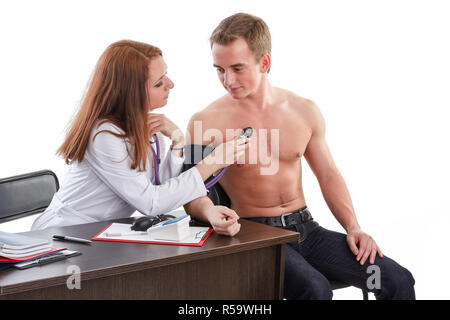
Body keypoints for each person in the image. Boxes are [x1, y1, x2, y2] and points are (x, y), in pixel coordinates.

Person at [183, 13, 415, 299]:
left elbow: (328, 174)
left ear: (264, 63)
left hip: (308, 232)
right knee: (315, 290)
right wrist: (210, 213)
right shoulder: (203, 122)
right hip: (256, 237)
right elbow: (188, 193)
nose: (227, 80)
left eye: (237, 68)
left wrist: (354, 228)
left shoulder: (303, 111)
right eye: (219, 69)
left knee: (394, 279)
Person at [31, 40, 249, 230]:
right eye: (158, 82)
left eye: (166, 75)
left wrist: (177, 141)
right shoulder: (103, 136)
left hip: (100, 232)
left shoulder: (145, 126)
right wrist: (213, 162)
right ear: (131, 93)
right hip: (64, 233)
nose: (170, 85)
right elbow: (151, 203)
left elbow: (163, 187)